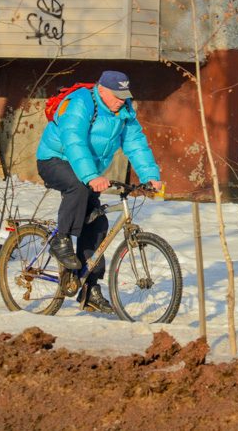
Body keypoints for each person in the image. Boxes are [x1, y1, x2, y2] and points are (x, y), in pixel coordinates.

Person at [36, 70, 162, 313]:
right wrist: (91, 176)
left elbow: (136, 144)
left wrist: (151, 177)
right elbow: (74, 141)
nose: (121, 101)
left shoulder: (124, 112)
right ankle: (61, 240)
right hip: (55, 159)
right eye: (116, 96)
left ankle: (90, 288)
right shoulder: (81, 102)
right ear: (101, 90)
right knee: (78, 188)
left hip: (87, 170)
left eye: (124, 96)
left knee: (97, 223)